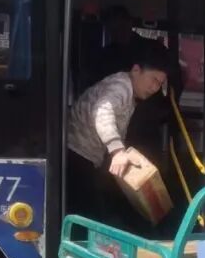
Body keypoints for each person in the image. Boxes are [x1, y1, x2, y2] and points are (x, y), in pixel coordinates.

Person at [66, 42, 170, 231]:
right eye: (153, 79)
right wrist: (117, 151)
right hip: (77, 153)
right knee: (89, 217)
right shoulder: (121, 87)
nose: (155, 88)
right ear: (136, 70)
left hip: (85, 156)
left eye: (160, 83)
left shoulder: (129, 93)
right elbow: (102, 112)